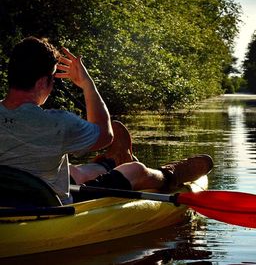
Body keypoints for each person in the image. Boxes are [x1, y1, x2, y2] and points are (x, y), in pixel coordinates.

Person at [0, 36, 213, 204]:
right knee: (135, 170)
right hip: (46, 206)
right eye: (52, 80)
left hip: (12, 195)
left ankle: (110, 162)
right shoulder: (59, 123)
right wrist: (87, 84)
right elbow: (105, 134)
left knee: (72, 171)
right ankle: (171, 175)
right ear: (41, 83)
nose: (52, 86)